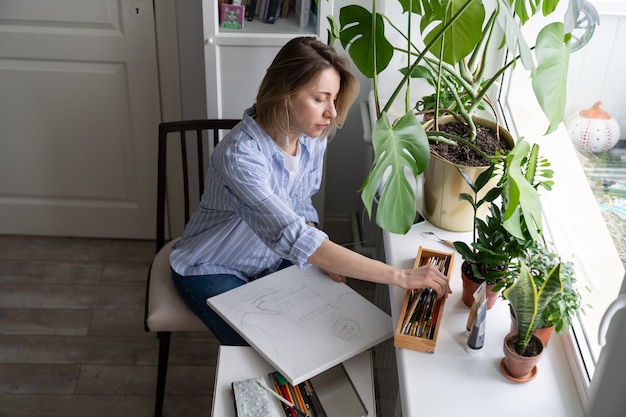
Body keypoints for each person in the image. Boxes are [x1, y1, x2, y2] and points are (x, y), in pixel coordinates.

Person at [170, 36, 451, 345]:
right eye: (320, 99)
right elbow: (293, 235)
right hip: (212, 265)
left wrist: (321, 251)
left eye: (334, 99)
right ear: (284, 93)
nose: (331, 112)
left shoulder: (311, 137)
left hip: (270, 259)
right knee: (261, 345)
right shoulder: (240, 157)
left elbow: (301, 204)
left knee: (318, 329)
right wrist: (401, 277)